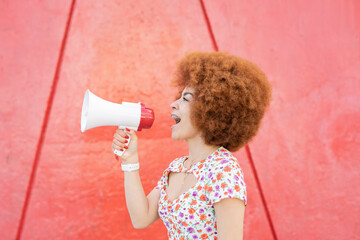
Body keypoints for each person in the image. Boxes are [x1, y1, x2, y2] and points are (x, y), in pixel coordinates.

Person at [112, 51, 272, 239]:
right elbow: (141, 218)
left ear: (213, 109)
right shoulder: (177, 167)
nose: (173, 104)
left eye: (186, 98)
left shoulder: (224, 171)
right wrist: (130, 160)